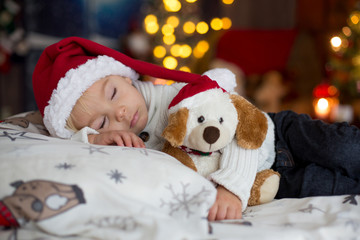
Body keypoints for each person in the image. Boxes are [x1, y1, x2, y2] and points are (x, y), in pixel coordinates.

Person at [32, 37, 360, 222]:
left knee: (341, 150)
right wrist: (93, 137)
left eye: (114, 93)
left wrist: (231, 189)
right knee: (332, 187)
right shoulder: (120, 139)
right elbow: (70, 144)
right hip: (269, 178)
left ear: (125, 75)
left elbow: (239, 138)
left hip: (274, 134)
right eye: (103, 121)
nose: (118, 113)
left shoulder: (179, 97)